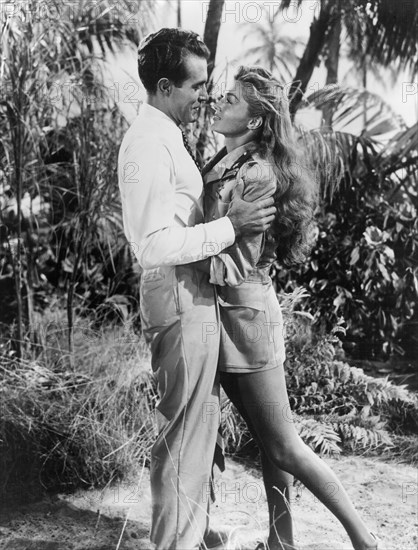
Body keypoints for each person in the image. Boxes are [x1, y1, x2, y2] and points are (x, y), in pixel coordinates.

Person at [202, 65, 379, 550]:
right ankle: (283, 541)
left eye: (232, 100)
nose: (220, 101)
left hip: (246, 320)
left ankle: (364, 539)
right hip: (231, 318)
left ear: (256, 121)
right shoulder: (227, 158)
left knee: (283, 444)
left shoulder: (256, 173)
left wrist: (181, 257)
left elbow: (232, 266)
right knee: (269, 441)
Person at [117, 30, 276, 550]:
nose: (205, 96)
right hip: (178, 295)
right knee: (182, 439)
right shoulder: (146, 141)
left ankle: (195, 532)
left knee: (196, 432)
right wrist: (231, 227)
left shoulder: (165, 133)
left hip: (194, 294)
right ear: (165, 86)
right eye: (198, 86)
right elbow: (152, 245)